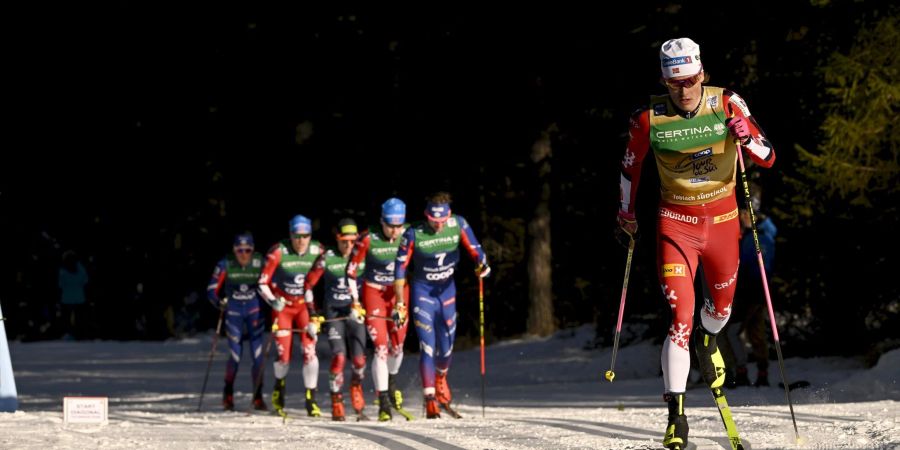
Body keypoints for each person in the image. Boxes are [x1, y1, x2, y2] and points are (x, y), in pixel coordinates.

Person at [615, 37, 775, 449]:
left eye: (689, 81)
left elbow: (768, 155)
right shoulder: (648, 118)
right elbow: (630, 168)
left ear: (702, 74)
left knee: (718, 315)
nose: (683, 91)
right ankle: (677, 417)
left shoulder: (726, 103)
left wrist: (748, 136)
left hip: (722, 225)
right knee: (680, 318)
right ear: (664, 82)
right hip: (676, 225)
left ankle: (710, 338)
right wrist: (626, 214)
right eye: (674, 84)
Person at [394, 192, 490, 418]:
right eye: (433, 221)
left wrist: (482, 265)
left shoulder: (458, 224)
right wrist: (400, 302)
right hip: (422, 293)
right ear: (426, 216)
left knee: (446, 348)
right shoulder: (413, 233)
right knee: (428, 345)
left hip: (447, 292)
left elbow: (477, 250)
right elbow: (399, 269)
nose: (437, 226)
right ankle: (429, 399)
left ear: (448, 216)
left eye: (441, 222)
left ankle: (440, 379)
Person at [346, 198, 410, 421]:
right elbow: (351, 271)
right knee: (381, 347)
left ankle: (391, 381)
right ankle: (383, 401)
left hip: (399, 293)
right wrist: (355, 301)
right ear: (381, 221)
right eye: (389, 225)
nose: (394, 230)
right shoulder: (367, 238)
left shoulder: (409, 234)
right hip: (374, 293)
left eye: (398, 225)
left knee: (398, 346)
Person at [258, 215, 325, 417]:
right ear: (291, 235)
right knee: (284, 356)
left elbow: (332, 276)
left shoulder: (318, 250)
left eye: (305, 236)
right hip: (283, 307)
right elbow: (262, 282)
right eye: (297, 236)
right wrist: (272, 300)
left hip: (304, 306)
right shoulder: (278, 251)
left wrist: (316, 314)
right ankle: (279, 387)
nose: (301, 241)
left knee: (310, 352)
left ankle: (310, 399)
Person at [305, 218, 368, 421]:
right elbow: (308, 286)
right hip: (334, 314)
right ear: (337, 239)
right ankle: (336, 399)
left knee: (359, 360)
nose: (348, 246)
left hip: (354, 312)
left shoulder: (363, 255)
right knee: (339, 356)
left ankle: (356, 387)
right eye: (344, 241)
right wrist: (313, 314)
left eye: (352, 241)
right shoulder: (328, 257)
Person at [720, 187, 776, 388]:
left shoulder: (761, 234)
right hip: (746, 290)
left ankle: (745, 371)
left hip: (753, 291)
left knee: (736, 330)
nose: (741, 217)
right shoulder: (747, 234)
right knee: (751, 331)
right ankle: (754, 372)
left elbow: (762, 263)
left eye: (744, 214)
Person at [206, 232, 267, 411]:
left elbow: (271, 284)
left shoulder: (259, 262)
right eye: (239, 250)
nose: (243, 254)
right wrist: (220, 302)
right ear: (234, 250)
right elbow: (211, 289)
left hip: (255, 312)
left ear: (252, 250)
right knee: (235, 355)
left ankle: (257, 396)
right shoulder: (226, 263)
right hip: (234, 313)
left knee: (257, 357)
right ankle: (228, 393)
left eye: (247, 250)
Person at [58, 250, 88, 340]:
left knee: (67, 319)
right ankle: (79, 335)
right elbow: (85, 280)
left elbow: (61, 284)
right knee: (79, 319)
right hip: (79, 298)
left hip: (67, 299)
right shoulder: (81, 269)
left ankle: (70, 335)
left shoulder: (63, 270)